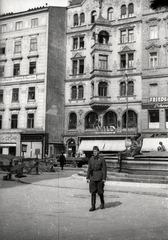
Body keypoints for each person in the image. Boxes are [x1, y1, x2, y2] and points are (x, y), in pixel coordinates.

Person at [86, 146, 107, 212]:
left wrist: (104, 178)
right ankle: (93, 206)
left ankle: (102, 203)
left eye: (96, 151)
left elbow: (104, 169)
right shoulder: (91, 159)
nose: (95, 152)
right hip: (92, 177)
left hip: (99, 177)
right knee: (93, 192)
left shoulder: (102, 159)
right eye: (94, 151)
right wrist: (87, 177)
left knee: (100, 192)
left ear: (98, 152)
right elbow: (89, 169)